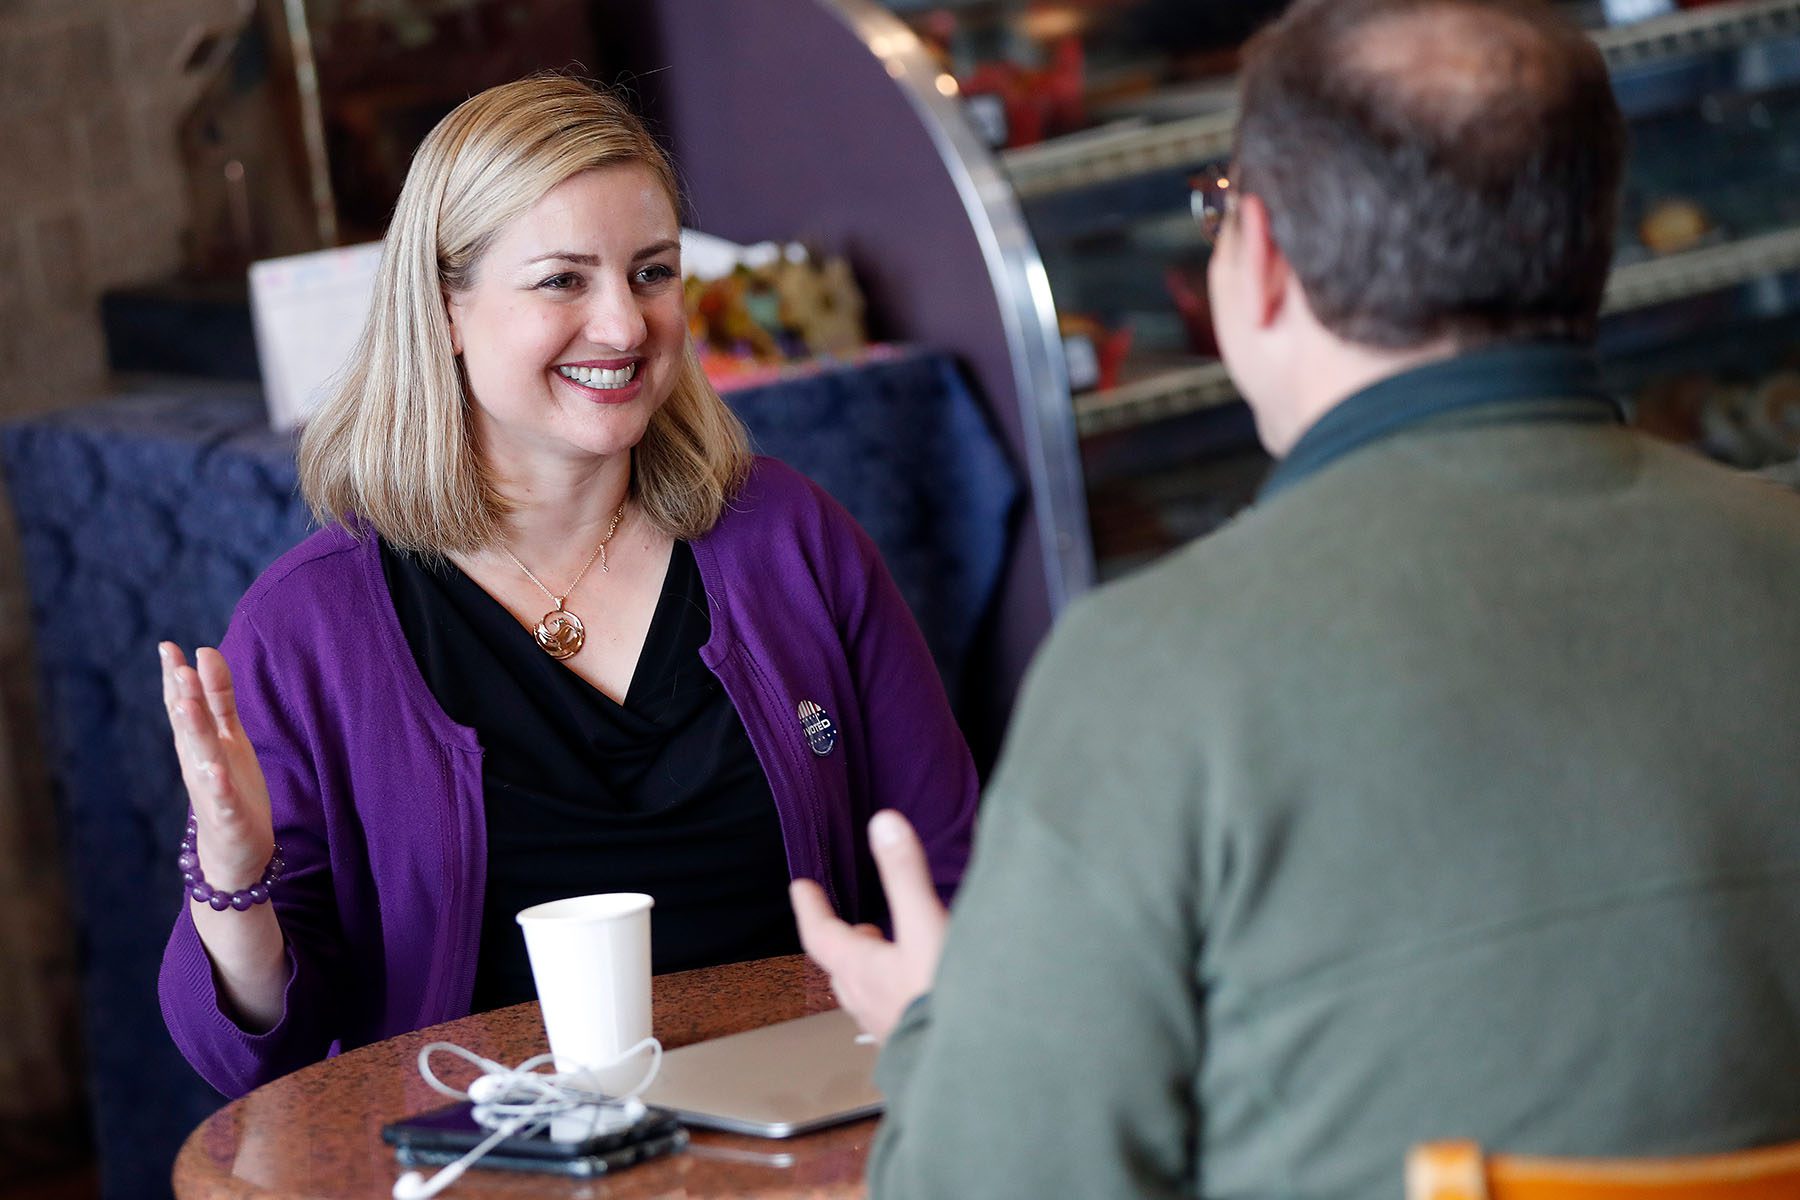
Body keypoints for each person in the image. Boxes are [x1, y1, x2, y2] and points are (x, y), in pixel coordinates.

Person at [792, 1, 1800, 1196]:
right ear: (1594, 245)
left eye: (1217, 212)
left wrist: (935, 1029)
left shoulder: (1152, 671)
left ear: (1258, 258)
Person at [157, 74, 979, 1100]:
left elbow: (951, 873)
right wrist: (232, 881)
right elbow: (250, 1050)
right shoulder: (313, 623)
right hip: (496, 1158)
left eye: (652, 272)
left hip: (810, 1132)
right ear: (447, 307)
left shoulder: (791, 540)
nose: (625, 326)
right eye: (561, 281)